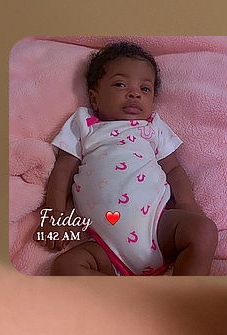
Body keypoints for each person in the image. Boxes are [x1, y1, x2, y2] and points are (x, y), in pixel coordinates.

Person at [41, 41, 217, 276]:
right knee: (64, 267)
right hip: (105, 245)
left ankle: (184, 295)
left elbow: (174, 169)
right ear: (94, 98)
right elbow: (63, 169)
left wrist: (186, 204)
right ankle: (124, 295)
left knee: (204, 231)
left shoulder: (153, 127)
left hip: (157, 226)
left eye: (145, 89)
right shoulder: (84, 124)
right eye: (120, 84)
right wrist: (55, 214)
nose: (134, 93)